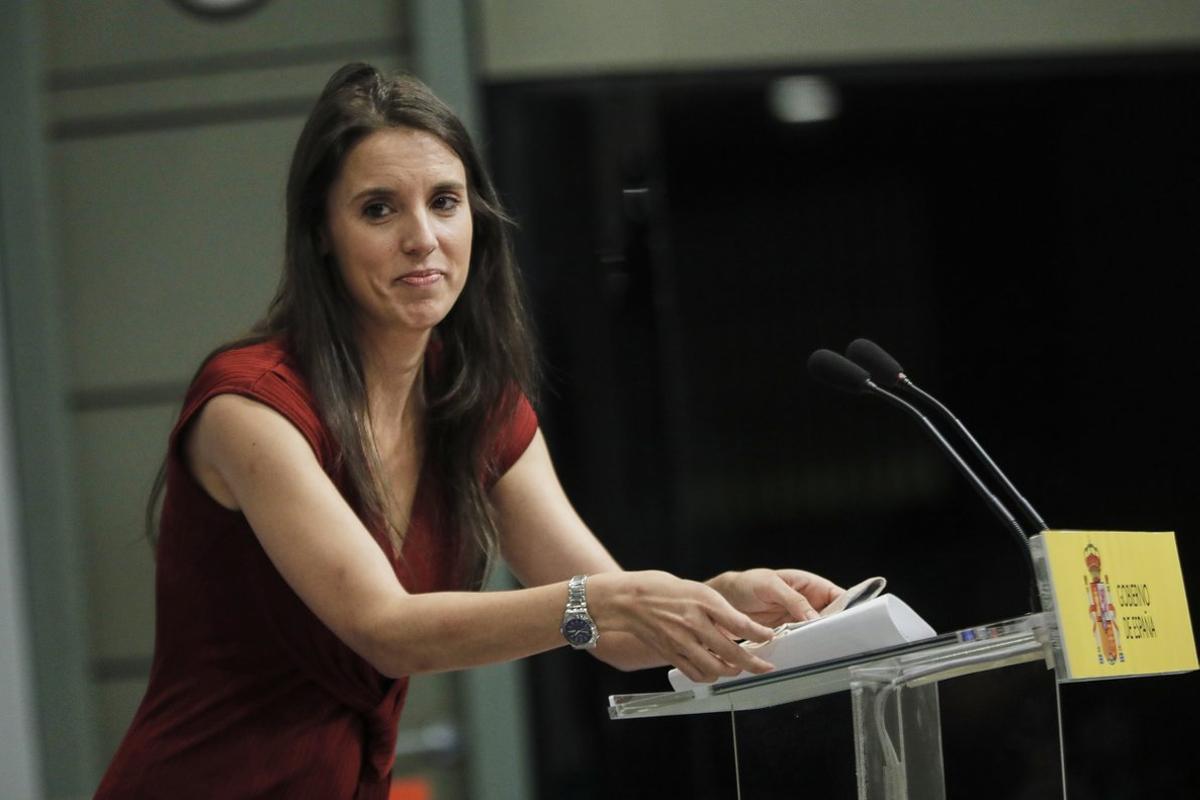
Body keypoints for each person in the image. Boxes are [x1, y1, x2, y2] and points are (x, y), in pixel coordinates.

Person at [95, 63, 844, 799]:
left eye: (445, 202)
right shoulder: (249, 406)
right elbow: (385, 627)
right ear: (322, 232)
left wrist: (720, 604)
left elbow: (617, 632)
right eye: (379, 209)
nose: (423, 238)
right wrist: (611, 602)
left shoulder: (474, 402)